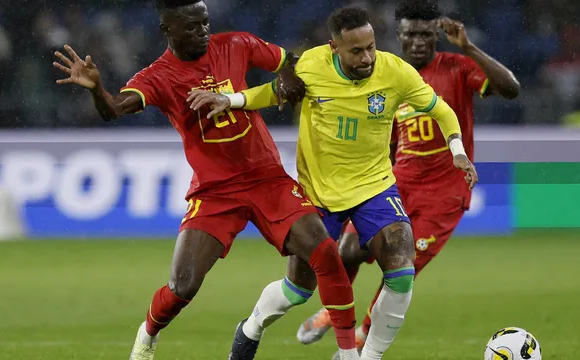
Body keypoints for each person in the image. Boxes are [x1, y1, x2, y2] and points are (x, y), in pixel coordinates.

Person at [52, 1, 361, 360]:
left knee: (326, 253)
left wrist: (289, 74)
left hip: (267, 178)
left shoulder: (235, 44)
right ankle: (147, 335)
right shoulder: (158, 76)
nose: (203, 31)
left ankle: (350, 355)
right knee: (182, 287)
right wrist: (95, 89)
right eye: (192, 26)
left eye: (205, 23)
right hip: (216, 191)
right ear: (168, 30)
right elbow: (114, 109)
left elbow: (292, 60)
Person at [186, 6, 479, 360]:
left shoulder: (394, 71)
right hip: (319, 194)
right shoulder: (312, 65)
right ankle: (252, 326)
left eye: (370, 46)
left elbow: (441, 109)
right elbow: (273, 92)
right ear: (334, 48)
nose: (367, 56)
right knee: (297, 290)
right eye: (356, 51)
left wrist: (457, 150)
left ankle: (365, 357)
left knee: (401, 270)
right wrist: (231, 99)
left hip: (374, 186)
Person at [295, 0, 521, 354]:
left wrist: (468, 46)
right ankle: (334, 311)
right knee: (349, 250)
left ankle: (361, 338)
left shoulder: (458, 67)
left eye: (426, 35)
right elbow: (385, 138)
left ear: (436, 36)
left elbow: (511, 89)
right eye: (410, 34)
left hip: (444, 195)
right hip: (395, 182)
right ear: (397, 35)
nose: (418, 42)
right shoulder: (388, 74)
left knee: (401, 268)